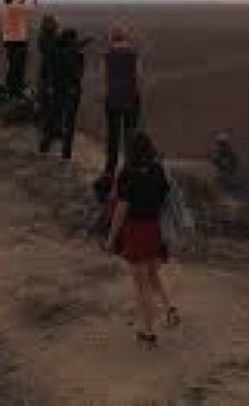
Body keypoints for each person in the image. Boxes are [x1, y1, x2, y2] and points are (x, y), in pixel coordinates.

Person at [105, 131, 180, 346]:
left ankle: (148, 333)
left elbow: (121, 208)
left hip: (135, 231)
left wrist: (111, 238)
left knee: (141, 287)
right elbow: (165, 198)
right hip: (154, 229)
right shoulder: (157, 170)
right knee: (151, 275)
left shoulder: (127, 173)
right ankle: (168, 309)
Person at [39, 28, 89, 159]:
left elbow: (47, 70)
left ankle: (44, 145)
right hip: (71, 92)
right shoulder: (75, 54)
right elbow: (78, 74)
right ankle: (66, 152)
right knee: (69, 123)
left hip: (56, 90)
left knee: (52, 118)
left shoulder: (54, 51)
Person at [103, 22, 142, 175]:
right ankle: (129, 169)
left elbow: (106, 77)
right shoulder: (133, 54)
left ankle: (110, 168)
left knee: (113, 136)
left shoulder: (107, 55)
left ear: (112, 37)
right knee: (129, 135)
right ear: (125, 36)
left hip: (112, 99)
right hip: (130, 98)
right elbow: (139, 76)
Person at [0, 0, 38, 99]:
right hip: (18, 41)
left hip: (9, 41)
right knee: (18, 68)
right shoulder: (14, 8)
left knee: (13, 66)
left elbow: (17, 6)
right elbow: (33, 8)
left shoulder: (5, 7)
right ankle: (15, 91)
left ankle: (12, 90)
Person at [37, 14, 59, 128]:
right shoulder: (52, 38)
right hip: (52, 72)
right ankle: (51, 125)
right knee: (52, 100)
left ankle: (45, 123)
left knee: (45, 98)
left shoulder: (42, 38)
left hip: (46, 71)